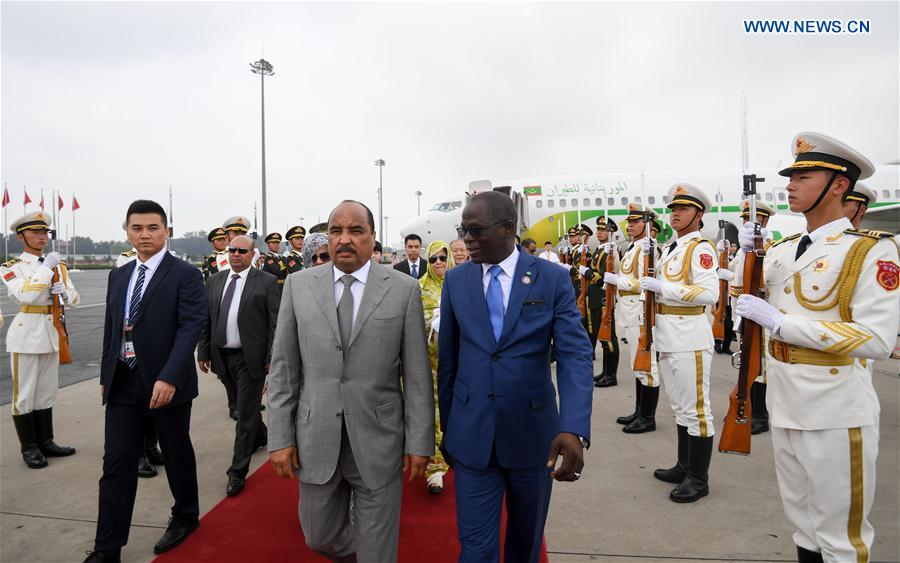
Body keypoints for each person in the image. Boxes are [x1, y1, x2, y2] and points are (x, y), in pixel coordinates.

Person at [735, 132, 897, 563]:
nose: (790, 184)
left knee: (841, 539)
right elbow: (739, 291)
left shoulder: (869, 251)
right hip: (786, 401)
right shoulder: (784, 251)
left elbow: (877, 340)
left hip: (836, 409)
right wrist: (746, 251)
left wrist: (783, 324)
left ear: (839, 185)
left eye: (803, 176)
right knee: (803, 528)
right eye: (791, 176)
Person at [267, 200, 434, 563]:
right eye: (336, 231)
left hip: (380, 441)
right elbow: (284, 370)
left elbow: (417, 375)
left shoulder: (403, 289)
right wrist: (279, 437)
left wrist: (420, 442)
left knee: (377, 552)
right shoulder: (297, 286)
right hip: (316, 439)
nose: (345, 239)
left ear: (373, 238)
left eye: (356, 231)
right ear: (326, 238)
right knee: (318, 536)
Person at [437, 191, 594, 562]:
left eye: (476, 231)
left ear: (508, 229)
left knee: (524, 545)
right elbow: (449, 362)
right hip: (473, 436)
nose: (467, 240)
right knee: (476, 550)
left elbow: (574, 354)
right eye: (463, 230)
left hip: (534, 438)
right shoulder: (456, 282)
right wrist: (449, 427)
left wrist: (573, 427)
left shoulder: (552, 279)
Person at [84, 200, 205, 562]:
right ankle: (107, 549)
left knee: (176, 452)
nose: (145, 235)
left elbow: (190, 327)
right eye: (137, 228)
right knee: (117, 464)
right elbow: (112, 330)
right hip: (123, 382)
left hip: (166, 384)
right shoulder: (118, 275)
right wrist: (107, 374)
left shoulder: (185, 274)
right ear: (127, 231)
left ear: (167, 230)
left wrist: (169, 376)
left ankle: (185, 515)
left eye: (153, 227)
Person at [640, 184, 718, 504]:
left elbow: (709, 293)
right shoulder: (672, 247)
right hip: (668, 335)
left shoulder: (701, 248)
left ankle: (698, 478)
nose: (675, 213)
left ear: (698, 215)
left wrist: (664, 288)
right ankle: (684, 466)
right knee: (680, 408)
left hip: (690, 337)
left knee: (697, 410)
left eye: (683, 209)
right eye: (673, 208)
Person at [197, 235, 279, 497]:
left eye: (242, 251)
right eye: (232, 250)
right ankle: (261, 436)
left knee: (243, 414)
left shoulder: (265, 283)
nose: (235, 254)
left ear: (252, 254)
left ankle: (237, 471)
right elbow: (208, 318)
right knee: (244, 407)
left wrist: (271, 358)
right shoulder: (215, 280)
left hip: (250, 359)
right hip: (222, 357)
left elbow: (275, 324)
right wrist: (203, 350)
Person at [2, 211, 79, 469]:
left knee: (46, 392)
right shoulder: (12, 267)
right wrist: (46, 270)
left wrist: (64, 294)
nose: (42, 237)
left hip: (52, 333)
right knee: (24, 395)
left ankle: (46, 441)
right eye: (35, 232)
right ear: (21, 236)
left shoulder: (58, 265)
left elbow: (75, 298)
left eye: (45, 232)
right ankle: (29, 447)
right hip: (26, 335)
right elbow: (26, 296)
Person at [603, 204, 662, 433]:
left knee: (647, 366)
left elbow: (643, 284)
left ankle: (648, 418)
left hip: (639, 310)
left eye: (635, 222)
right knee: (636, 365)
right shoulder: (633, 247)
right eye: (629, 222)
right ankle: (639, 411)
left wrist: (619, 281)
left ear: (646, 224)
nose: (630, 226)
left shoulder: (647, 248)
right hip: (628, 310)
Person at [722, 199, 776, 435]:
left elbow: (766, 278)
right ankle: (747, 407)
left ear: (764, 221)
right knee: (747, 362)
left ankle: (760, 415)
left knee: (760, 365)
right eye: (744, 219)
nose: (747, 223)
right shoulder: (745, 250)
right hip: (742, 312)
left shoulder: (771, 248)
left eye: (752, 219)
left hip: (760, 314)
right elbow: (736, 271)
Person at [419, 240, 455, 495]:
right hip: (429, 364)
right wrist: (433, 320)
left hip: (459, 362)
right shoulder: (419, 287)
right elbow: (412, 322)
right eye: (433, 259)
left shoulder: (461, 283)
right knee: (433, 414)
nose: (439, 263)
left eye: (443, 257)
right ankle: (435, 468)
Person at [585, 217, 620, 388]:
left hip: (603, 298)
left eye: (603, 229)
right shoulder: (599, 250)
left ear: (611, 232)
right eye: (598, 229)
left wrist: (589, 274)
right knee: (603, 337)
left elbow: (605, 279)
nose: (599, 232)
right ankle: (606, 372)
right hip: (595, 298)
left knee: (610, 337)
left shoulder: (609, 251)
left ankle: (611, 375)